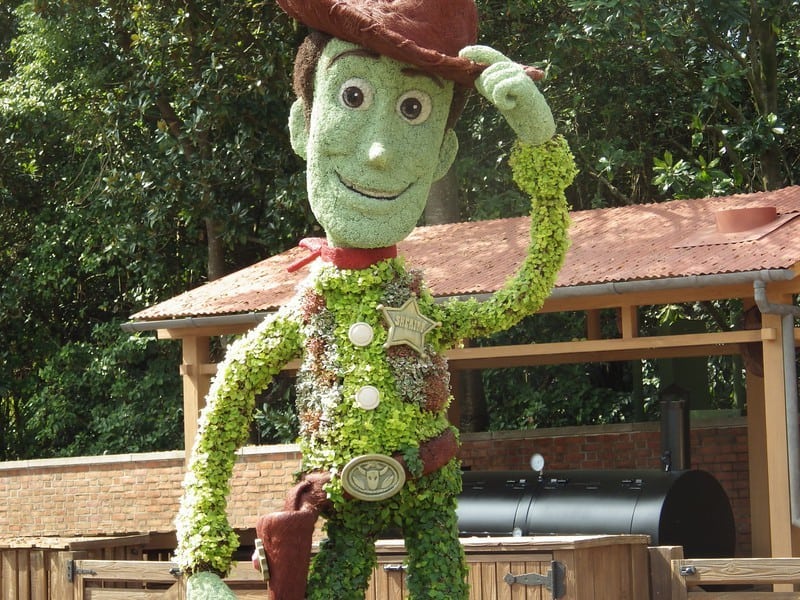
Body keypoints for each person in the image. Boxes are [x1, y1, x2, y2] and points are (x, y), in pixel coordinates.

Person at [175, 1, 577, 598]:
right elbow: (221, 420)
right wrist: (203, 563)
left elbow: (525, 289)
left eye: (413, 109)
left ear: (442, 154)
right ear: (302, 125)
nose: (379, 151)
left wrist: (540, 145)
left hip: (428, 486)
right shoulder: (306, 317)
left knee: (441, 586)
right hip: (341, 505)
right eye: (353, 97)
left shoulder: (425, 312)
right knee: (334, 581)